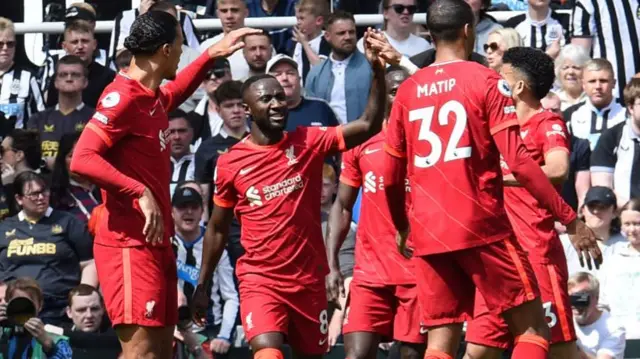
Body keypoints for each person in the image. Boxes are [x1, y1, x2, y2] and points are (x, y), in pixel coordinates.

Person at [381, 1, 600, 358]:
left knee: (441, 342)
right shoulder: (486, 81)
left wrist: (402, 226)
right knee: (532, 329)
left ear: (430, 34)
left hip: (428, 231)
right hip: (480, 226)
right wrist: (569, 217)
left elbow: (391, 178)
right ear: (469, 30)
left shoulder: (407, 91)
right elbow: (521, 162)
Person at [69, 9, 259, 358]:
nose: (184, 50)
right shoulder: (122, 97)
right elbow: (82, 159)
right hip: (127, 246)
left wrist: (210, 55)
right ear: (166, 50)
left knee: (161, 352)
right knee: (140, 354)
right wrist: (138, 190)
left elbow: (176, 91)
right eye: (182, 45)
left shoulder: (152, 97)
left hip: (154, 244)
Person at [192, 28, 387, 359]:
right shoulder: (230, 163)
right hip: (260, 279)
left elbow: (368, 124)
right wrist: (202, 283)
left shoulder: (309, 141)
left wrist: (378, 71)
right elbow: (217, 228)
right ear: (248, 109)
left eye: (280, 97)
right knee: (268, 352)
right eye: (266, 98)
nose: (276, 103)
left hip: (309, 279)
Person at [464, 47, 584, 359]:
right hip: (496, 255)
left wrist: (500, 175)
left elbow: (557, 170)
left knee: (558, 350)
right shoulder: (493, 127)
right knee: (478, 350)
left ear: (518, 87)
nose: (494, 83)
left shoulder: (547, 122)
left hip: (535, 253)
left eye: (501, 77)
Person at [325, 65, 426, 359]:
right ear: (381, 96)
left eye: (408, 91)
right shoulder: (361, 143)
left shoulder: (430, 144)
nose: (402, 97)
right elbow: (342, 206)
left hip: (417, 271)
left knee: (409, 356)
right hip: (370, 271)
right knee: (355, 356)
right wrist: (331, 264)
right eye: (395, 91)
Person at [0, 171, 97, 325]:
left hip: (59, 309)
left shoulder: (68, 222)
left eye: (44, 191)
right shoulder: (4, 228)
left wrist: (81, 297)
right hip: (14, 309)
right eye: (34, 194)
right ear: (19, 199)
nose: (41, 197)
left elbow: (89, 262)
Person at [171, 186, 239, 357]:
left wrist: (224, 336)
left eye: (194, 207)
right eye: (182, 207)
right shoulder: (164, 246)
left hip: (209, 334)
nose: (188, 212)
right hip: (171, 331)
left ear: (202, 211)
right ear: (171, 212)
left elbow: (231, 296)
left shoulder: (217, 248)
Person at [28, 55, 93, 168]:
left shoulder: (95, 118)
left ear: (85, 82)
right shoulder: (38, 119)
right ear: (55, 82)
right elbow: (30, 158)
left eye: (75, 75)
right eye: (63, 75)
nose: (69, 79)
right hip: (44, 182)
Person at [590, 78, 640, 206]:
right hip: (623, 217)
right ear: (630, 108)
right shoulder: (611, 138)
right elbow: (602, 189)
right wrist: (630, 211)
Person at [597, 198, 640, 340]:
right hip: (619, 338)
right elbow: (602, 300)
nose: (632, 229)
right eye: (627, 224)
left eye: (637, 224)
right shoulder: (613, 258)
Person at [0, 278, 73, 358]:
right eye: (17, 303)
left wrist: (49, 346)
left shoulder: (56, 340)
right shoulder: (3, 334)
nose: (22, 309)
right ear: (8, 305)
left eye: (27, 304)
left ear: (40, 305)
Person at [561, 186, 626, 276]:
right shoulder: (564, 243)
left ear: (615, 213)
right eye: (591, 206)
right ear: (583, 210)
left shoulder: (626, 245)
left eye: (602, 207)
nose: (596, 211)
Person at [266, 54, 341, 131]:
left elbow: (339, 138)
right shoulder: (262, 113)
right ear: (267, 82)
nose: (285, 78)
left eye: (290, 73)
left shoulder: (321, 107)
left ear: (299, 79)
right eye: (278, 74)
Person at [568, 272, 626, 359]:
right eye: (571, 299)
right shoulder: (564, 320)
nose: (575, 305)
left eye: (581, 299)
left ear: (596, 298)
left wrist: (573, 347)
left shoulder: (613, 329)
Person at [50, 133, 101, 223]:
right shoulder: (56, 195)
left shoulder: (106, 189)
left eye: (83, 154)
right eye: (71, 156)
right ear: (62, 160)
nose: (78, 160)